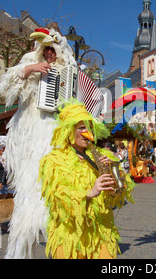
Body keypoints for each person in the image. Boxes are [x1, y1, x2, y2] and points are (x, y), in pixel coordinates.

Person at [0, 28, 78, 258]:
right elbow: (6, 84)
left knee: (53, 189)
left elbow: (71, 102)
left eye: (53, 50)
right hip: (31, 132)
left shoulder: (66, 71)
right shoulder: (30, 62)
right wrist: (31, 69)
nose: (49, 54)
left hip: (52, 132)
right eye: (46, 49)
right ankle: (22, 246)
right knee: (29, 189)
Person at [38, 100, 135, 259]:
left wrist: (115, 179)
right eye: (81, 127)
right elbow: (57, 200)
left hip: (101, 232)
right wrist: (89, 193)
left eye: (89, 127)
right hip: (70, 235)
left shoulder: (103, 156)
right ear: (69, 130)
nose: (86, 132)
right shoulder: (53, 160)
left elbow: (119, 194)